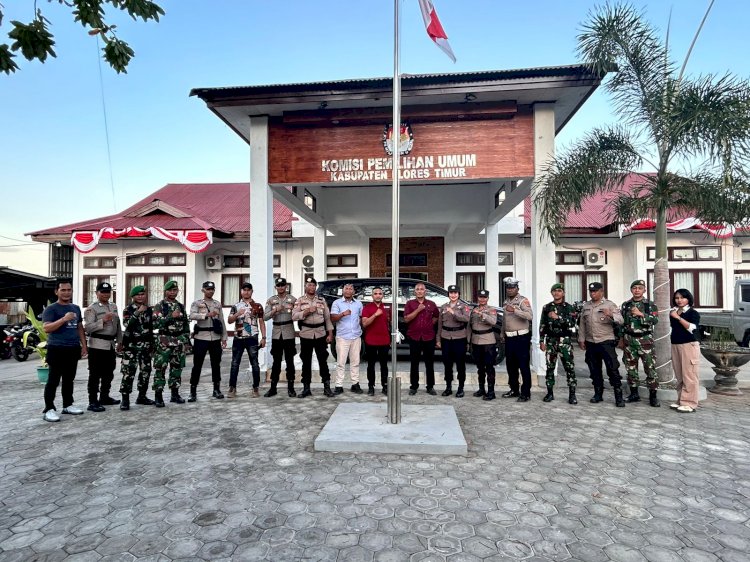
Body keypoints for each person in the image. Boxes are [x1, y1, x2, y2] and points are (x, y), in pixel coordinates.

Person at [41, 279, 88, 422]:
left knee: (69, 379)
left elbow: (79, 327)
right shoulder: (51, 309)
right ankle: (49, 409)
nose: (67, 293)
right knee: (53, 380)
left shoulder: (75, 308)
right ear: (57, 292)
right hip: (56, 348)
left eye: (69, 290)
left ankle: (68, 405)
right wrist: (63, 319)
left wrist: (84, 345)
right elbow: (46, 328)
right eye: (63, 290)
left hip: (72, 348)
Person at [578, 282, 625, 406]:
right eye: (591, 291)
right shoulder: (586, 306)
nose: (593, 293)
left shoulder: (610, 304)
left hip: (606, 341)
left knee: (612, 369)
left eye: (595, 291)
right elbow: (582, 324)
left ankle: (618, 396)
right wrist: (581, 339)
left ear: (601, 292)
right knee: (594, 369)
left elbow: (620, 320)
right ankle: (598, 393)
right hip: (591, 342)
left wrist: (610, 314)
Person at [84, 281, 123, 412]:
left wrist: (120, 341)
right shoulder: (92, 308)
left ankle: (104, 397)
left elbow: (117, 325)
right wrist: (103, 320)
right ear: (97, 293)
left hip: (110, 345)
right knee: (95, 374)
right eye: (103, 292)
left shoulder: (113, 306)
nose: (106, 294)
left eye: (108, 292)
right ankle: (92, 401)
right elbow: (88, 328)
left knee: (109, 373)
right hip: (97, 345)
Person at [620, 279, 660, 407]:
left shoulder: (650, 305)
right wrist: (621, 339)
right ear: (631, 290)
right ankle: (634, 394)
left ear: (644, 290)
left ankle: (653, 396)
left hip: (645, 341)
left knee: (650, 369)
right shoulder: (626, 305)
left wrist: (641, 314)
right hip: (630, 340)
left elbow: (655, 320)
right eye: (634, 288)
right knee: (631, 368)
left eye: (640, 288)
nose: (637, 290)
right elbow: (623, 323)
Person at [292, 277, 334, 398]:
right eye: (309, 285)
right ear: (305, 287)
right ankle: (306, 388)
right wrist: (305, 312)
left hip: (320, 334)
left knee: (323, 361)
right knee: (306, 361)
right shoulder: (300, 301)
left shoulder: (321, 300)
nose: (311, 288)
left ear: (315, 287)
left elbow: (327, 318)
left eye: (313, 285)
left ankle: (327, 387)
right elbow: (294, 316)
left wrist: (330, 334)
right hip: (306, 334)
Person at [153, 280, 191, 407]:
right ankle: (158, 395)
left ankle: (175, 394)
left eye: (175, 290)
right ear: (165, 291)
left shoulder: (180, 306)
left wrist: (186, 339)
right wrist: (170, 316)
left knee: (177, 369)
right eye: (170, 290)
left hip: (178, 341)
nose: (173, 292)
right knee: (161, 369)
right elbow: (155, 324)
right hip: (164, 341)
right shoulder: (160, 306)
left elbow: (186, 324)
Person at [539, 283, 578, 405]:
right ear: (551, 293)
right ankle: (550, 392)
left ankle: (572, 394)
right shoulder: (546, 307)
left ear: (563, 293)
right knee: (550, 367)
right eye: (554, 291)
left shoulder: (569, 307)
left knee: (569, 367)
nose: (557, 293)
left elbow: (572, 324)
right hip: (551, 341)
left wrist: (558, 317)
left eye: (559, 291)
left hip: (564, 341)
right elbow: (542, 325)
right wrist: (541, 341)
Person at [189, 281, 228, 401]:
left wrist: (224, 337)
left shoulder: (217, 304)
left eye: (212, 289)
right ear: (203, 290)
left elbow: (221, 320)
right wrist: (206, 315)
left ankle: (216, 389)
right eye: (208, 289)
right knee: (197, 365)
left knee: (216, 364)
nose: (210, 291)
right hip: (201, 337)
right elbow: (192, 315)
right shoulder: (197, 303)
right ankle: (193, 391)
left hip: (215, 337)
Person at [118, 285, 155, 410]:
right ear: (133, 297)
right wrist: (138, 312)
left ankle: (142, 396)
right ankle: (125, 399)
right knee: (128, 373)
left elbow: (152, 327)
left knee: (145, 372)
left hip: (146, 346)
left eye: (142, 294)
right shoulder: (128, 309)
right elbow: (127, 324)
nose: (140, 296)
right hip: (131, 347)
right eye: (138, 295)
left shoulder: (150, 310)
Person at [227, 282, 266, 398]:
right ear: (241, 292)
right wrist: (238, 314)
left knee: (255, 364)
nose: (246, 292)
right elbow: (229, 320)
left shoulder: (257, 306)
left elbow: (261, 322)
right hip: (238, 337)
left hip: (252, 338)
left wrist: (264, 337)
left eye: (248, 290)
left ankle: (255, 388)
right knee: (235, 363)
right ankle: (232, 388)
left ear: (252, 292)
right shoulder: (236, 306)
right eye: (244, 290)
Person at [501, 277, 533, 402]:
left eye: (512, 287)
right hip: (509, 338)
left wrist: (515, 310)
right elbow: (505, 319)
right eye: (508, 288)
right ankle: (514, 389)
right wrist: (503, 333)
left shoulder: (522, 301)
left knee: (523, 366)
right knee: (511, 366)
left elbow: (530, 316)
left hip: (521, 338)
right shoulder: (505, 301)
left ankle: (526, 393)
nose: (510, 290)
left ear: (517, 289)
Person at [264, 277, 298, 397]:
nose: (281, 287)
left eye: (283, 285)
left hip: (289, 332)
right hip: (276, 333)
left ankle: (291, 387)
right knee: (276, 361)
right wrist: (274, 311)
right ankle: (273, 387)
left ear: (286, 287)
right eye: (278, 286)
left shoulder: (293, 299)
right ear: (276, 287)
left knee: (290, 361)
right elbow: (265, 317)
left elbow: (298, 315)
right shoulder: (271, 300)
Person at [404, 282, 439, 395]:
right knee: (414, 363)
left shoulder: (432, 304)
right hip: (414, 337)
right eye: (417, 289)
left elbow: (436, 317)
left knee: (429, 363)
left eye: (421, 289)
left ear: (425, 291)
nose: (419, 291)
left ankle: (430, 387)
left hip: (428, 337)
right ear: (415, 292)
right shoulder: (410, 304)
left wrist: (428, 326)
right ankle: (414, 386)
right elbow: (407, 319)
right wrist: (418, 310)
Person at [669, 289, 701, 413]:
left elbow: (692, 328)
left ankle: (690, 403)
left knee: (690, 374)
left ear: (688, 299)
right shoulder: (674, 312)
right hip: (676, 345)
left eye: (682, 297)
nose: (679, 300)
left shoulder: (693, 312)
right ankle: (681, 400)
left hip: (689, 345)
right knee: (680, 375)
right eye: (677, 298)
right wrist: (675, 315)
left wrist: (678, 317)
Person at [436, 284, 471, 397]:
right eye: (451, 293)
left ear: (458, 294)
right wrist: (438, 339)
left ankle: (461, 387)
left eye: (455, 293)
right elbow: (440, 324)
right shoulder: (443, 307)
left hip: (459, 337)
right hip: (446, 337)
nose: (453, 295)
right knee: (447, 364)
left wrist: (453, 312)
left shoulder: (464, 306)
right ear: (448, 294)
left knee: (460, 364)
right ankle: (448, 387)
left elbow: (466, 319)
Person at [330, 283, 364, 394]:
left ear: (353, 292)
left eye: (351, 289)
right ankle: (339, 385)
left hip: (356, 336)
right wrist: (342, 314)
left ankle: (355, 384)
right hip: (342, 337)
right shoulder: (337, 303)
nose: (348, 290)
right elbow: (333, 318)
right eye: (346, 288)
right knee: (341, 362)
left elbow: (360, 318)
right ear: (343, 291)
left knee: (355, 362)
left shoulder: (358, 304)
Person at [468, 289, 498, 400]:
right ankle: (481, 389)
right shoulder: (473, 310)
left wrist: (482, 315)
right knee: (480, 367)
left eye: (484, 297)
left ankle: (491, 392)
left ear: (487, 299)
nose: (482, 299)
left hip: (488, 341)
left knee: (489, 367)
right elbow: (470, 326)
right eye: (480, 297)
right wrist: (469, 341)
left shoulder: (491, 310)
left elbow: (493, 321)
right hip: (476, 341)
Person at [361, 286, 391, 395]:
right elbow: (364, 323)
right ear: (372, 295)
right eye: (375, 293)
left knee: (384, 365)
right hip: (371, 340)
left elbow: (391, 324)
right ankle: (371, 386)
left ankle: (385, 386)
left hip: (384, 340)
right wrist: (375, 314)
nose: (378, 295)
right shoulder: (367, 308)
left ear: (383, 295)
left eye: (380, 293)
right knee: (371, 365)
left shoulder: (387, 307)